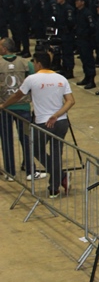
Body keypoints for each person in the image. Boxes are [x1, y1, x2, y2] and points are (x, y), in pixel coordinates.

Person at [0, 52, 75, 198]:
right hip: (61, 121)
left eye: (34, 63)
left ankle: (60, 176)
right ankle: (54, 187)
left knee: (35, 149)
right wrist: (57, 114)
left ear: (39, 64)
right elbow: (71, 101)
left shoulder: (32, 79)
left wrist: (3, 105)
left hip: (44, 122)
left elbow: (17, 96)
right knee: (56, 153)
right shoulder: (61, 78)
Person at [0, 38, 35, 181]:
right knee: (27, 139)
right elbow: (33, 82)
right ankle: (30, 170)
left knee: (6, 140)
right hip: (24, 108)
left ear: (4, 48)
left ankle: (10, 173)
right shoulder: (27, 63)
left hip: (5, 108)